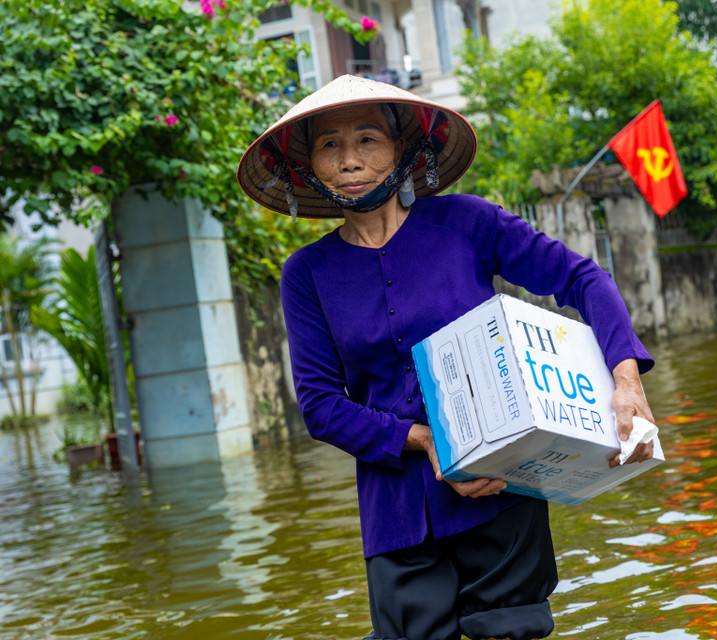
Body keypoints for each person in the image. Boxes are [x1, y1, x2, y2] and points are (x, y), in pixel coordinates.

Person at [236, 75, 658, 640]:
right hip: (398, 508)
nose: (350, 158)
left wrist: (625, 378)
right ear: (309, 166)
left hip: (503, 482)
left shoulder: (467, 222)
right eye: (329, 145)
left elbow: (581, 278)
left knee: (512, 630)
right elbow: (319, 405)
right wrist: (428, 440)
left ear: (401, 149)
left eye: (368, 139)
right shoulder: (306, 274)